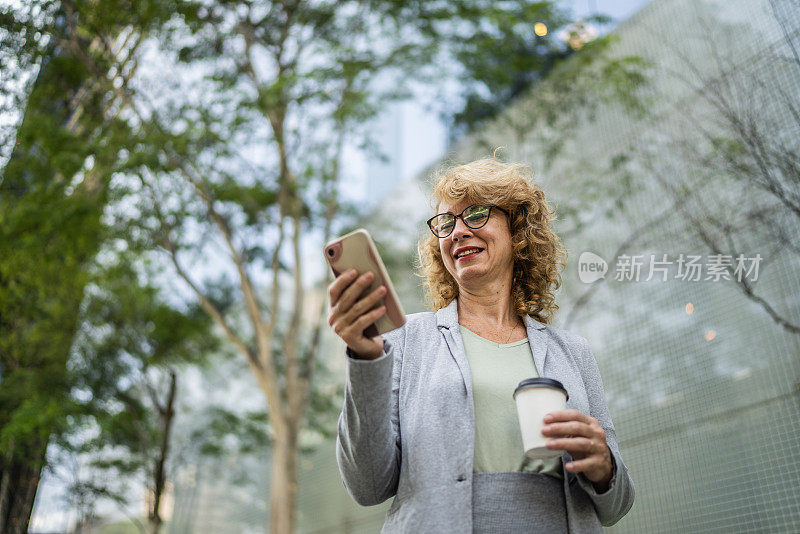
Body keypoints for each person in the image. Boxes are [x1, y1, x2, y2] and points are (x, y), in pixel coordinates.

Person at [328, 158, 634, 533]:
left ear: (517, 230)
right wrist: (365, 358)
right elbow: (366, 484)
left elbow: (616, 506)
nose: (456, 232)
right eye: (445, 223)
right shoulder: (404, 341)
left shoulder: (573, 352)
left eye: (475, 214)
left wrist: (603, 466)